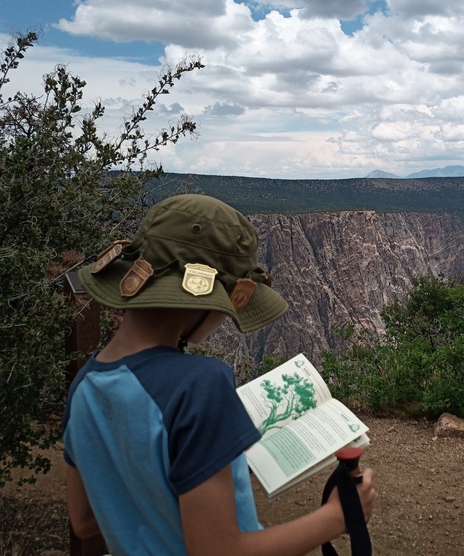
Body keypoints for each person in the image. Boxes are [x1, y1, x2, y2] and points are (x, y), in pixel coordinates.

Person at [63, 194, 376, 555]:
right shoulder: (200, 383)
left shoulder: (84, 386)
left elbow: (84, 520)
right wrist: (337, 517)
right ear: (199, 299)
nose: (225, 316)